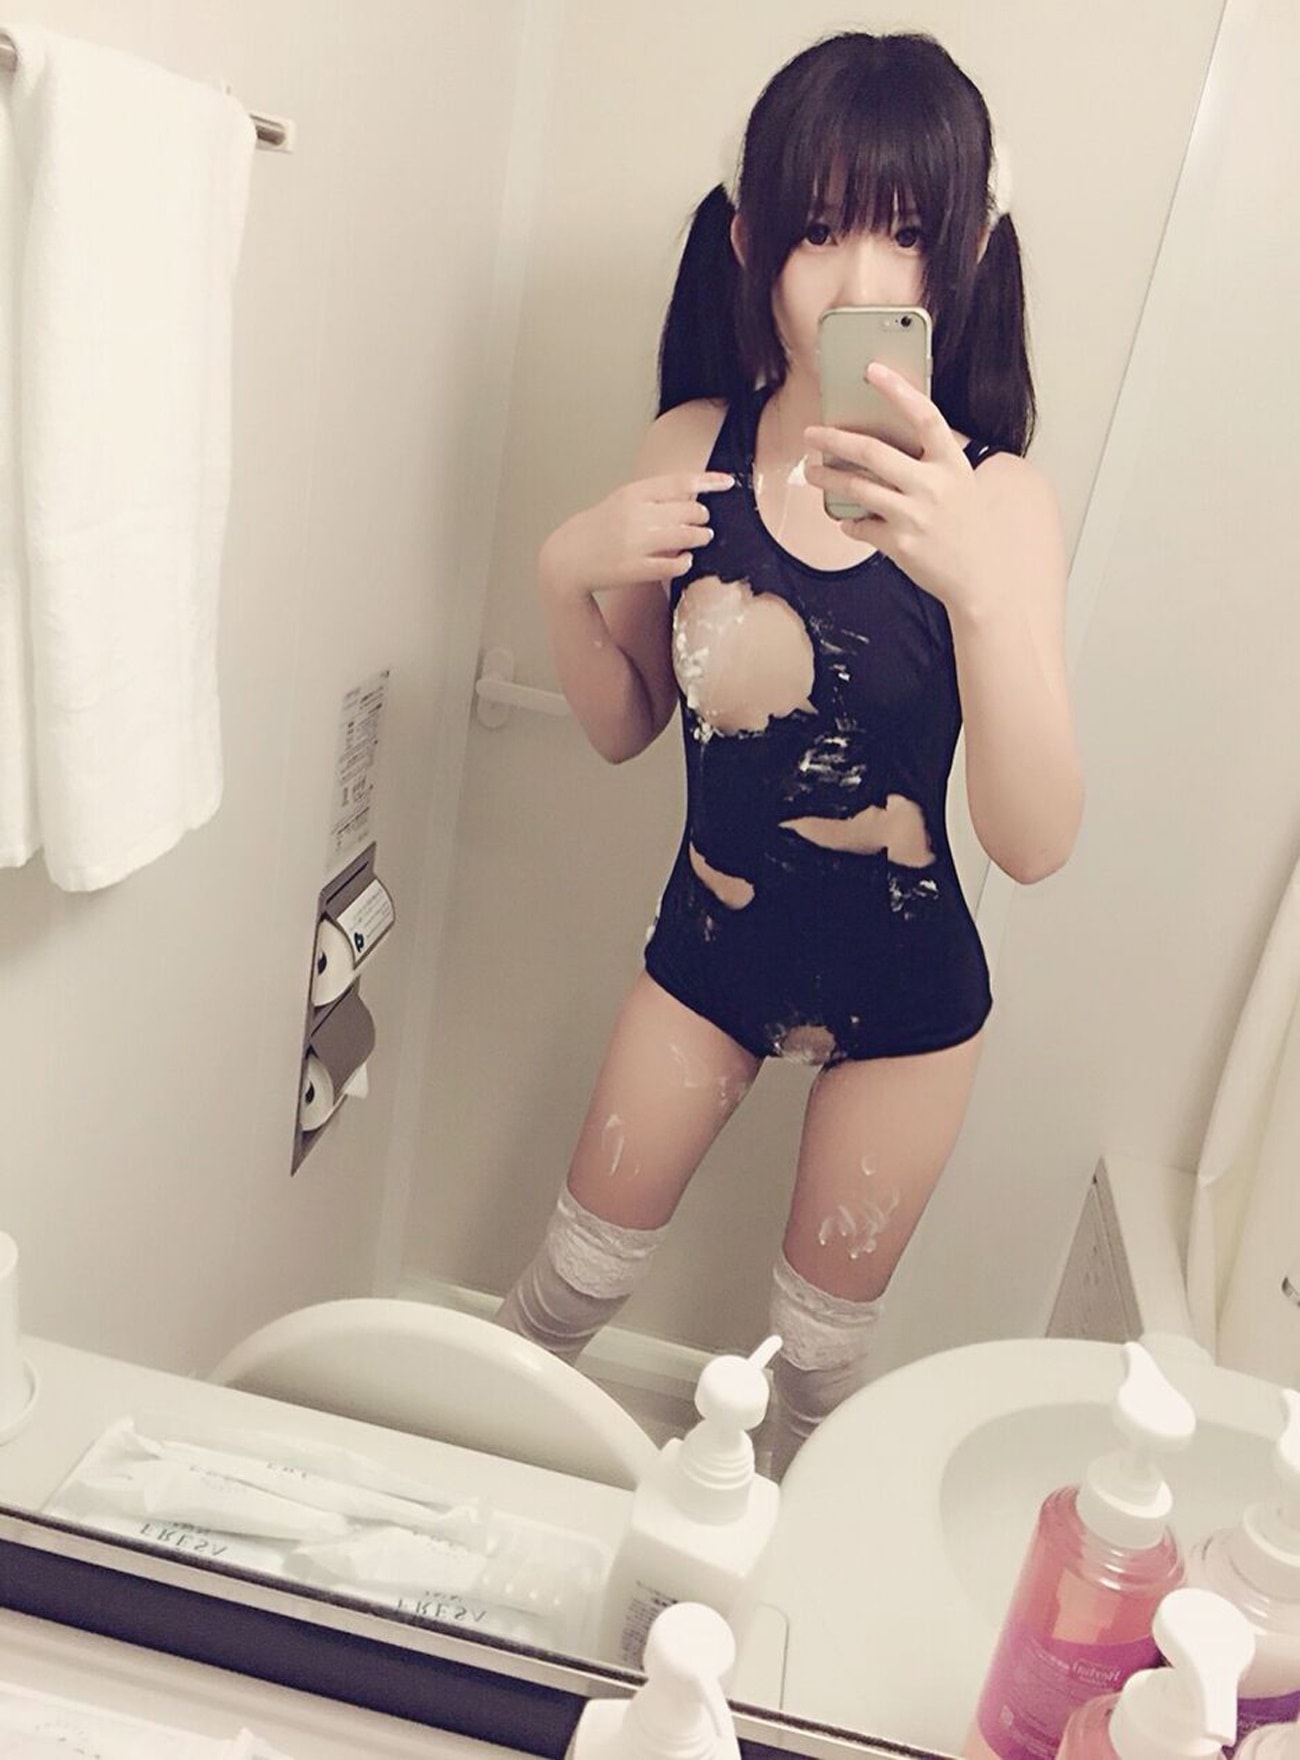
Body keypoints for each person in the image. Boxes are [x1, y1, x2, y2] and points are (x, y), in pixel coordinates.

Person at [496, 29, 1083, 1476]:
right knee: (562, 1294)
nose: (863, 279)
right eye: (820, 229)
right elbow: (626, 724)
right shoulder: (688, 446)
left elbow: (1034, 842)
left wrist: (981, 596)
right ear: (752, 240)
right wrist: (564, 572)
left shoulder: (1000, 504)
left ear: (970, 249)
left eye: (907, 230)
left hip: (908, 996)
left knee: (819, 1371)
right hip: (707, 950)